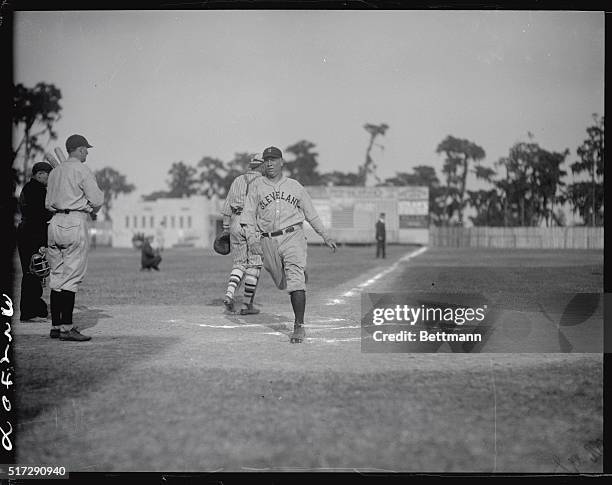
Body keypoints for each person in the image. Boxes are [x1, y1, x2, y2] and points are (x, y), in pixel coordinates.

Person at [241, 146, 337, 343]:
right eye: (267, 160)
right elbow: (248, 216)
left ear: (282, 162)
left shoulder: (295, 186)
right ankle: (293, 273)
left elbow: (311, 213)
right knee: (280, 281)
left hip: (293, 236)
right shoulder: (257, 187)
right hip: (267, 240)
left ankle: (299, 325)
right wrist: (252, 239)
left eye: (274, 159)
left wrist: (325, 235)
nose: (270, 163)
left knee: (295, 282)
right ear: (263, 164)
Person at [45, 134, 104, 342]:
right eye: (85, 149)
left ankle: (56, 326)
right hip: (75, 222)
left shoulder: (54, 172)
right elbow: (97, 200)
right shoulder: (82, 169)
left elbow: (48, 202)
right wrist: (91, 208)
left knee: (57, 275)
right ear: (78, 150)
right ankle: (67, 328)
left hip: (53, 223)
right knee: (71, 277)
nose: (86, 152)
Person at [221, 153, 266, 315]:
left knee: (239, 263)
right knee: (254, 264)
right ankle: (247, 305)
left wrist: (226, 228)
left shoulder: (237, 180)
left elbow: (227, 207)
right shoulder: (264, 182)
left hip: (236, 222)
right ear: (261, 166)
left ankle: (229, 294)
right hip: (253, 223)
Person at [17, 161, 54, 321]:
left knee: (33, 272)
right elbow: (39, 218)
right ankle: (29, 312)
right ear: (39, 174)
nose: (49, 179)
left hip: (26, 232)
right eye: (48, 175)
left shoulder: (29, 188)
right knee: (33, 272)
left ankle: (37, 309)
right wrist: (41, 243)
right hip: (31, 235)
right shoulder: (36, 190)